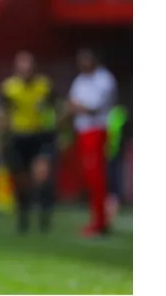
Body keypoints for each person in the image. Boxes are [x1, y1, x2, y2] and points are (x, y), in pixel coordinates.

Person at [0, 51, 57, 233]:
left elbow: (56, 108)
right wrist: (2, 135)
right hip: (18, 137)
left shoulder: (44, 86)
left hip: (40, 135)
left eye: (29, 65)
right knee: (21, 181)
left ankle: (45, 213)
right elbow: (2, 112)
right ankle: (23, 215)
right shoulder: (9, 88)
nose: (26, 69)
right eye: (22, 66)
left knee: (42, 176)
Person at [67, 48, 117, 237]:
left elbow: (93, 109)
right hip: (82, 131)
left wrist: (79, 107)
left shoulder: (104, 80)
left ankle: (100, 221)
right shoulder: (80, 80)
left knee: (97, 178)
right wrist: (78, 107)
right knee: (88, 178)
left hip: (96, 130)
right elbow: (73, 105)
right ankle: (96, 219)